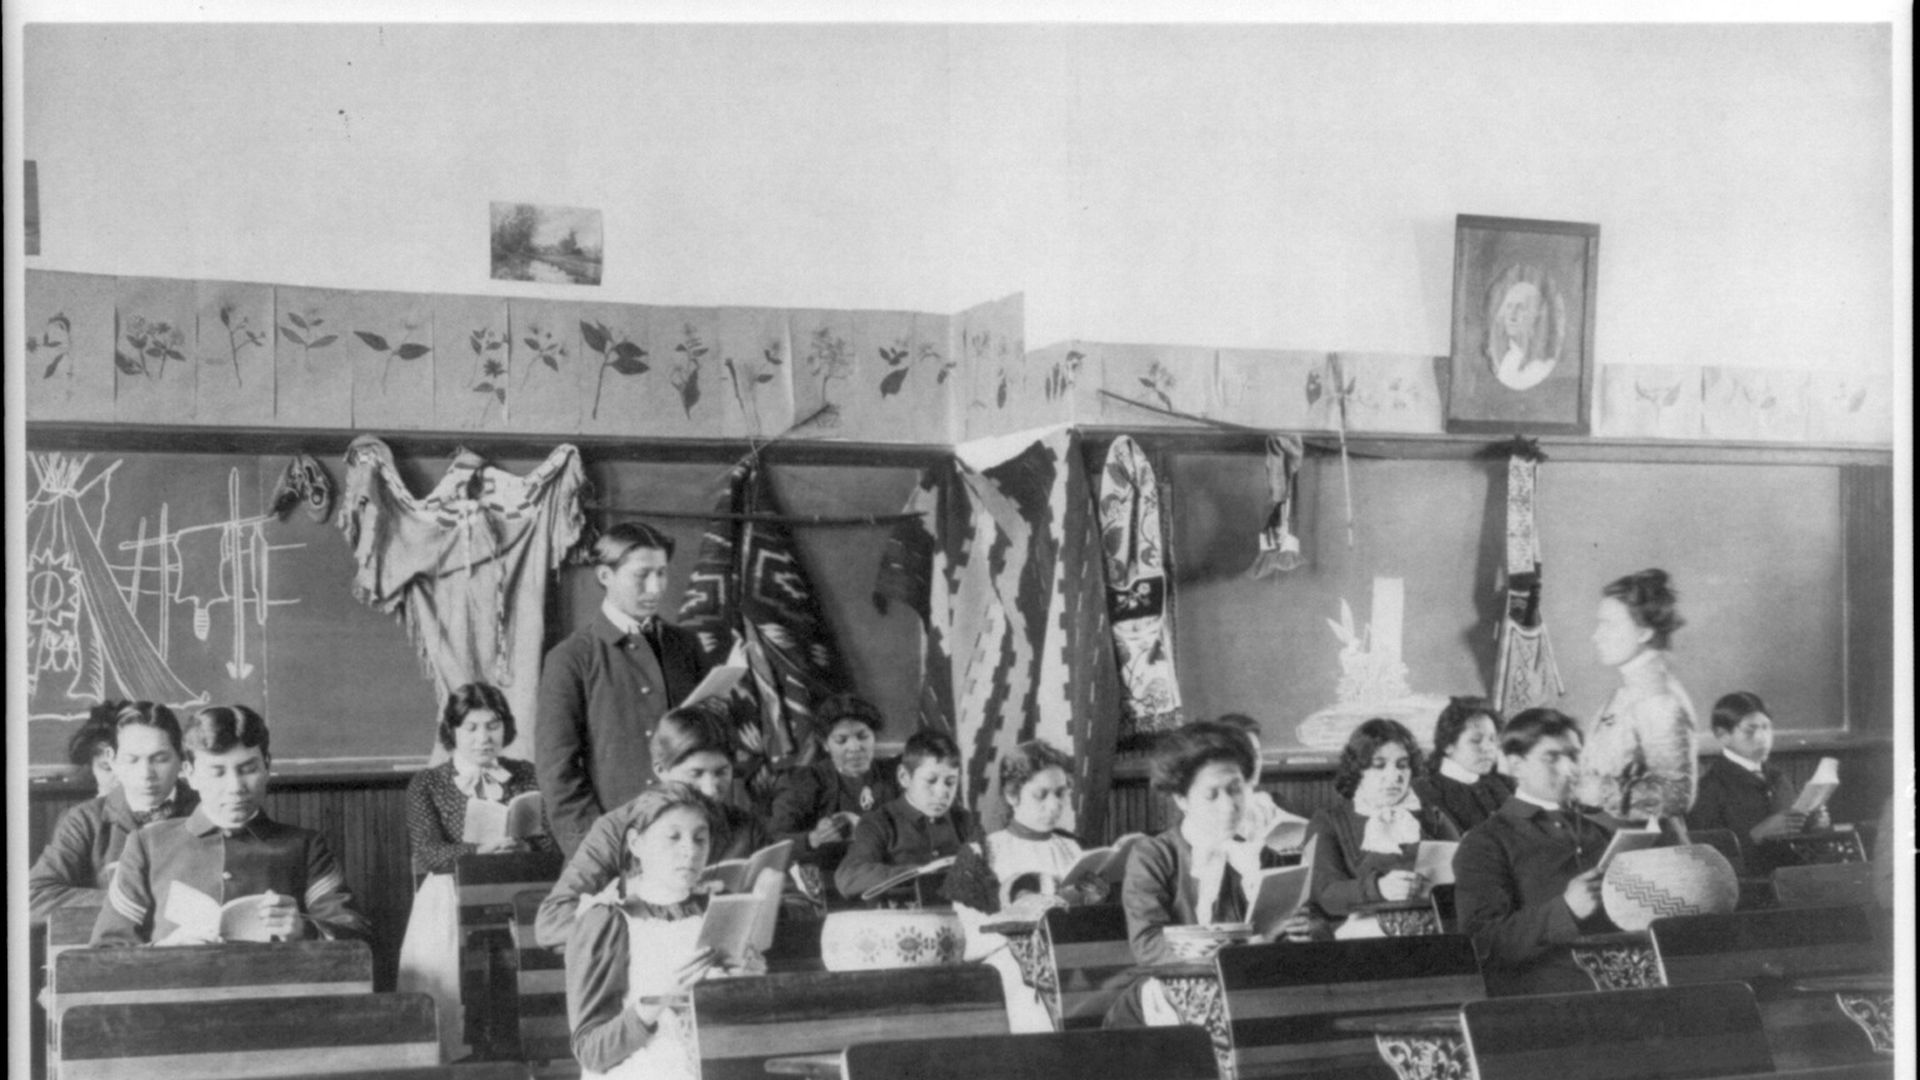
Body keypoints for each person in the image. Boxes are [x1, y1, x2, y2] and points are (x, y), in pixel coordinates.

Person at [92, 704, 369, 945]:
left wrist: (305, 929)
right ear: (190, 775)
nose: (235, 787)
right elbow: (107, 952)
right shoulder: (148, 845)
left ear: (267, 766)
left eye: (248, 769)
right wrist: (164, 952)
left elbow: (359, 938)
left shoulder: (305, 847)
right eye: (217, 772)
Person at [1108, 722, 1326, 1027]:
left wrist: (1307, 928)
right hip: (1175, 993)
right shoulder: (1155, 855)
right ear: (1181, 800)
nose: (1229, 806)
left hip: (1250, 987)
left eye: (1236, 789)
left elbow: (1307, 922)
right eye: (1212, 795)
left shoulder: (1264, 851)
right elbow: (1147, 943)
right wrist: (1233, 953)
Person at [565, 783, 763, 1080]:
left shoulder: (717, 912)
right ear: (636, 843)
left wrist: (751, 980)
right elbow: (591, 1051)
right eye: (673, 837)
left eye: (700, 838)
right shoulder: (608, 921)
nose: (690, 850)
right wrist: (660, 998)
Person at [539, 522, 713, 857]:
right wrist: (600, 850)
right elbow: (557, 772)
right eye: (642, 575)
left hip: (689, 842)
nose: (656, 587)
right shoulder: (572, 658)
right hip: (615, 845)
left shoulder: (686, 646)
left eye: (662, 573)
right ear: (605, 575)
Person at [536, 702, 773, 947]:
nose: (711, 789)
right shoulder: (616, 829)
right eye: (696, 774)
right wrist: (643, 924)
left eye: (721, 772)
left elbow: (785, 902)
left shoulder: (746, 827)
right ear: (661, 770)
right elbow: (552, 921)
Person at [398, 683, 548, 1061]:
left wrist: (525, 846)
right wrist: (479, 851)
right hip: (450, 898)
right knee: (458, 1002)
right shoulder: (428, 783)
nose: (484, 738)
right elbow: (429, 852)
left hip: (518, 891)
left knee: (522, 1006)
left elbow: (553, 842)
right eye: (472, 728)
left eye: (493, 726)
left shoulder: (528, 774)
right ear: (452, 732)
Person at [1454, 707, 1617, 997]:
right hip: (1545, 996)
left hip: (1624, 982)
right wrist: (1565, 910)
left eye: (1574, 756)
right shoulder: (1486, 842)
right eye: (1552, 757)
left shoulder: (1601, 831)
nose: (1569, 768)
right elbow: (1481, 944)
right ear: (1517, 766)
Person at [950, 739, 1100, 1033]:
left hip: (1073, 953)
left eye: (1061, 793)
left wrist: (1094, 897)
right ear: (1012, 794)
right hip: (1011, 959)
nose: (1054, 805)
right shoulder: (982, 853)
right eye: (1041, 795)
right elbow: (972, 936)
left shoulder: (1074, 848)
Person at [30, 701, 199, 924]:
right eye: (132, 759)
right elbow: (35, 897)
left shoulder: (206, 810)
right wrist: (132, 902)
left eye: (160, 759)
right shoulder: (84, 820)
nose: (146, 773)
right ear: (113, 759)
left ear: (181, 759)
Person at [1577, 568, 1698, 825]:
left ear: (1644, 632)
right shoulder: (1630, 692)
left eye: (1609, 624)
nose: (1596, 636)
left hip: (1648, 850)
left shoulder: (1658, 698)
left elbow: (1677, 795)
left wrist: (1597, 790)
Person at [1306, 718, 1459, 922]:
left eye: (1402, 765)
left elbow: (1467, 877)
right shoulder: (1327, 821)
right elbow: (1326, 893)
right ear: (1358, 770)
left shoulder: (1433, 817)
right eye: (1379, 765)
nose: (1394, 775)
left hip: (1434, 930)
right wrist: (1378, 888)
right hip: (1360, 937)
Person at [770, 693, 902, 889]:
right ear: (825, 744)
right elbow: (774, 841)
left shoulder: (896, 774)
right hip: (830, 884)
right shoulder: (805, 782)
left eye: (863, 736)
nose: (855, 747)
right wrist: (813, 838)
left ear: (874, 736)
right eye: (841, 740)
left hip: (892, 878)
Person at [834, 730, 978, 901]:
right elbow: (849, 877)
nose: (942, 793)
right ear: (904, 777)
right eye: (931, 781)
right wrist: (920, 873)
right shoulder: (879, 823)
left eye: (950, 782)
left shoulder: (964, 821)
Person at [1687, 691, 1826, 851]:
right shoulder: (1708, 789)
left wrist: (1813, 825)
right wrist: (1757, 835)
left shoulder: (1779, 779)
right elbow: (1708, 856)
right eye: (1750, 730)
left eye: (1766, 728)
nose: (1762, 737)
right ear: (1722, 734)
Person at [1413, 697, 1515, 833]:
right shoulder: (1425, 791)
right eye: (1476, 740)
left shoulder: (1505, 785)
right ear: (1448, 745)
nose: (1488, 747)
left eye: (1492, 739)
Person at [1484, 268, 1558, 391]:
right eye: (1509, 306)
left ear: (1535, 315)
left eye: (1521, 307)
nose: (1512, 315)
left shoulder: (1543, 366)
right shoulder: (1507, 360)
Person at [66, 700, 127, 796]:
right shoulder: (83, 811)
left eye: (128, 766)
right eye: (107, 768)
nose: (119, 779)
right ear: (92, 768)